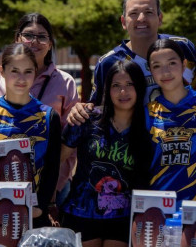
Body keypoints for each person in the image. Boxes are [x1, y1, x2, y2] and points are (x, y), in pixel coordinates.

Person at [0, 13, 78, 212]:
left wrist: (44, 181)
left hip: (51, 187)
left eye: (42, 37)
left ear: (50, 43)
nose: (35, 41)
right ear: (17, 38)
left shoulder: (65, 82)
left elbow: (70, 138)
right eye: (29, 35)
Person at [68, 0, 196, 124]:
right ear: (123, 21)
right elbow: (97, 108)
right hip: (135, 140)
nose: (141, 18)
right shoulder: (109, 62)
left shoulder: (182, 47)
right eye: (133, 13)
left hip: (190, 134)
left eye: (148, 12)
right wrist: (80, 109)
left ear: (160, 18)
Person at [60, 60, 148, 247]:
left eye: (129, 84)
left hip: (123, 217)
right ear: (107, 89)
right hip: (81, 211)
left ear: (139, 87)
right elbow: (56, 160)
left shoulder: (149, 126)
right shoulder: (87, 118)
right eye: (116, 85)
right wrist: (49, 201)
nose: (123, 91)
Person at [0, 44, 61, 227]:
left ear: (35, 72)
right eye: (15, 71)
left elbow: (52, 168)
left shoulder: (48, 116)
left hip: (34, 214)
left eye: (28, 71)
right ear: (2, 71)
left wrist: (40, 207)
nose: (21, 79)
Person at [144, 39, 196, 203]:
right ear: (150, 71)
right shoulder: (146, 113)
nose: (165, 72)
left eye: (171, 63)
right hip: (157, 210)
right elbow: (141, 169)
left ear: (184, 65)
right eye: (157, 66)